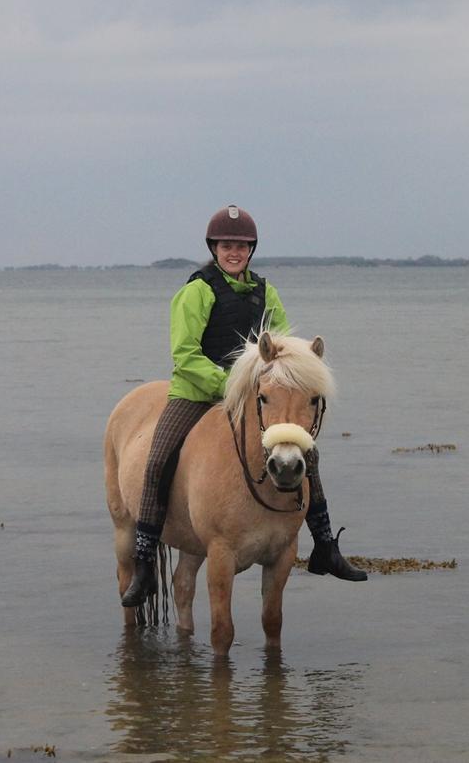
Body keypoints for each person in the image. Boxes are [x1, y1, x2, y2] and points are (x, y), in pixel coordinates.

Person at [121, 204, 367, 607]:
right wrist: (230, 385)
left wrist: (288, 375)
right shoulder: (196, 291)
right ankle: (145, 562)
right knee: (158, 458)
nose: (233, 252)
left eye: (241, 246)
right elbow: (185, 353)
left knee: (308, 453)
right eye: (226, 245)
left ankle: (324, 546)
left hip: (252, 396)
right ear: (214, 248)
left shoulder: (265, 292)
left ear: (250, 250)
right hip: (197, 393)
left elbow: (285, 349)